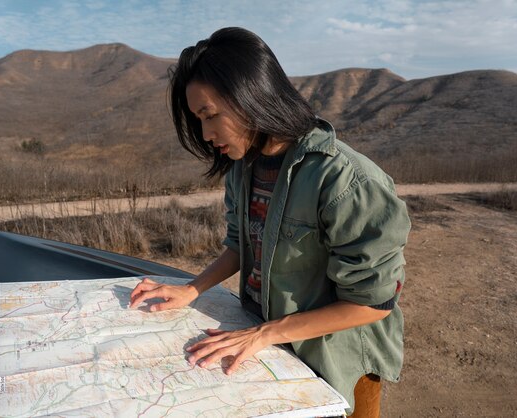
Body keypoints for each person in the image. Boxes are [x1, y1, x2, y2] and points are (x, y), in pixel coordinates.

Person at [130, 27, 410, 418]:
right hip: (275, 351)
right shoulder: (243, 169)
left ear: (251, 97)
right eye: (199, 121)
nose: (207, 135)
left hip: (339, 364)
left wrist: (264, 333)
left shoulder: (345, 181)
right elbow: (239, 244)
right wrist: (192, 289)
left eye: (210, 116)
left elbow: (372, 304)